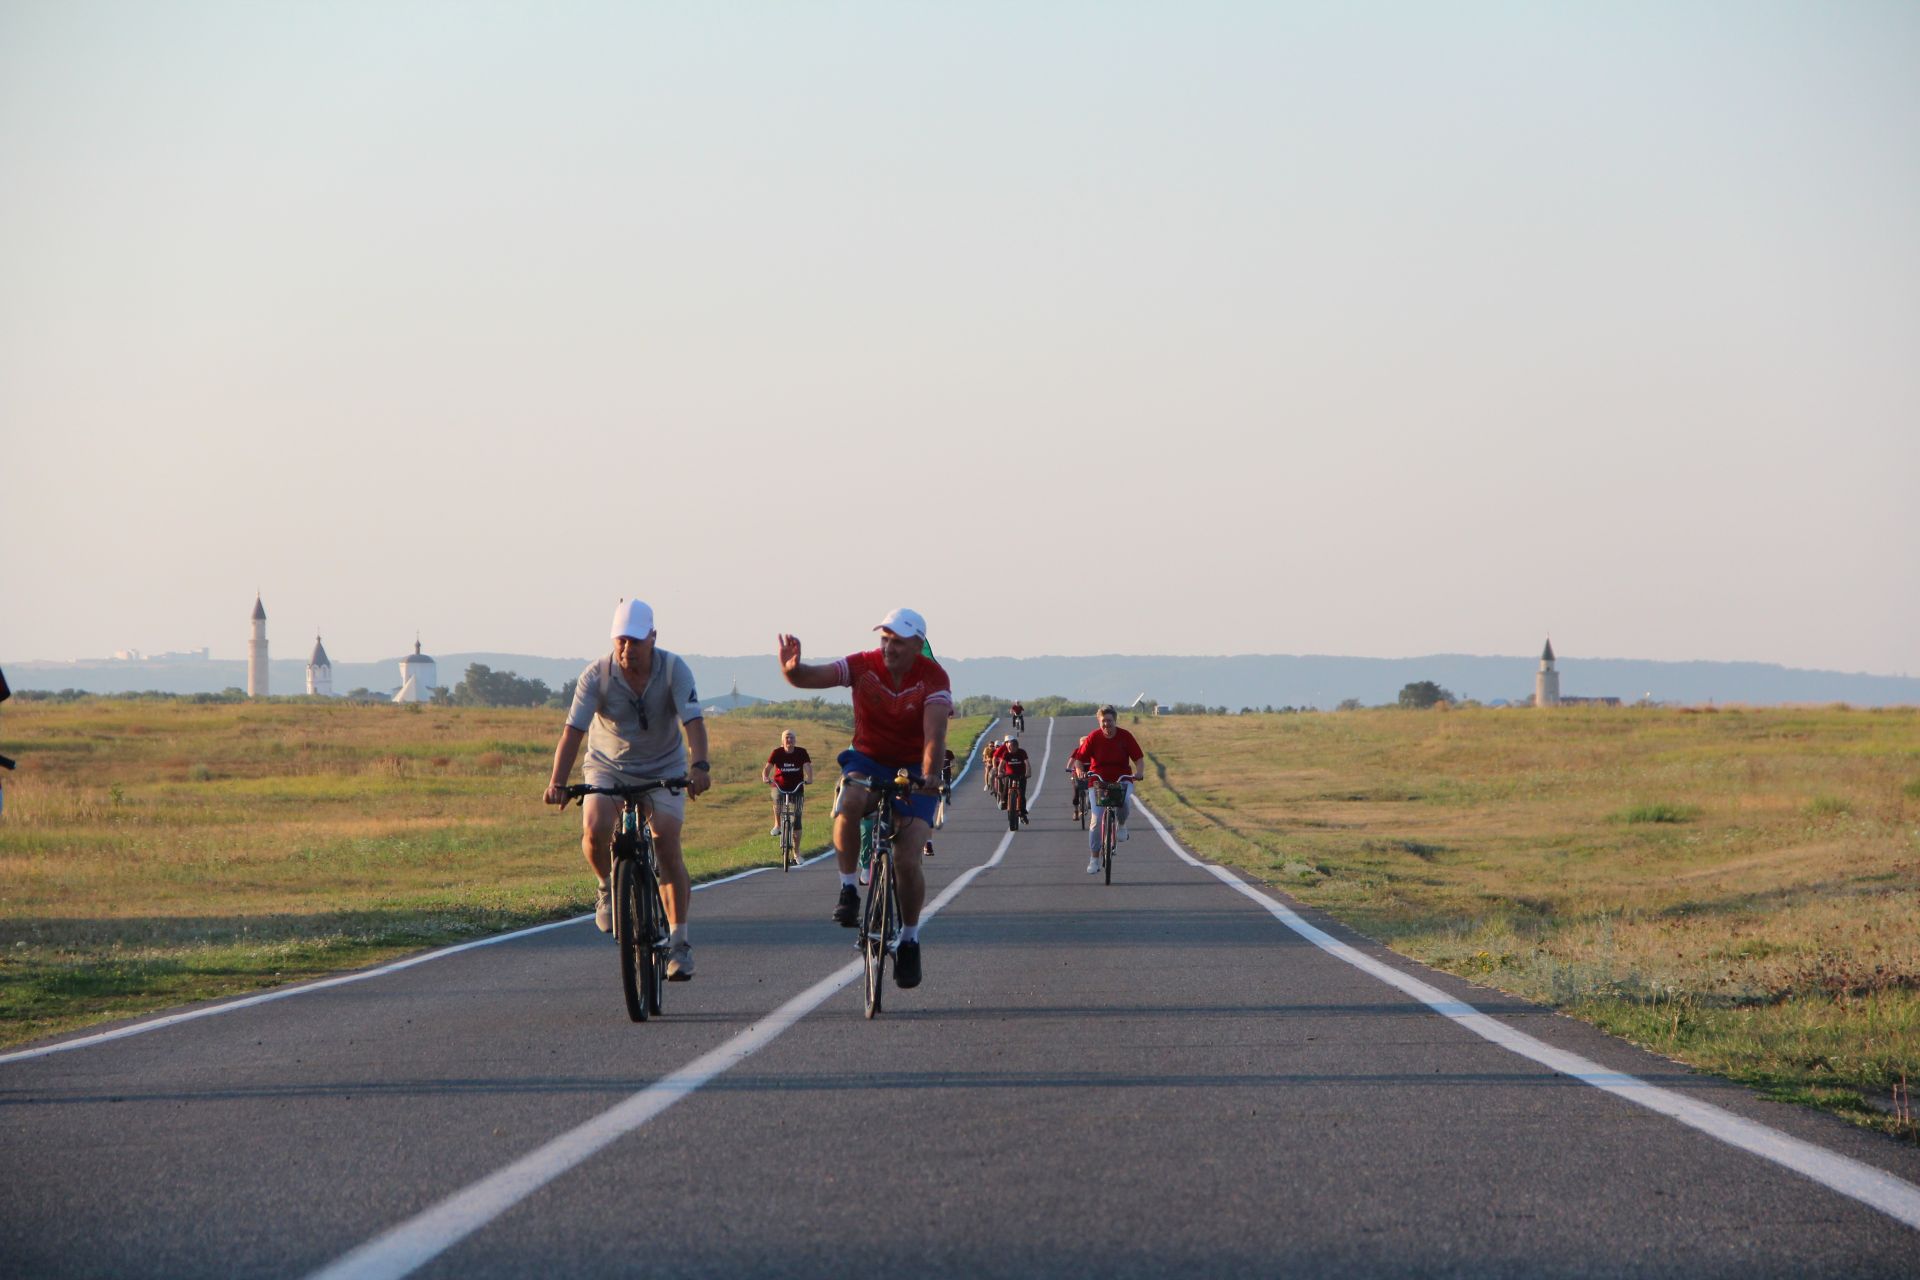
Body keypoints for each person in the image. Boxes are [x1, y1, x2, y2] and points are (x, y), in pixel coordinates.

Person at [777, 607, 950, 990]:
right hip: (868, 758)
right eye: (884, 638)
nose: (888, 647)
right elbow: (814, 676)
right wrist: (792, 671)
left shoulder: (933, 678)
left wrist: (930, 777)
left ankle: (909, 939)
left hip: (913, 768)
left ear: (918, 645)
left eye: (898, 641)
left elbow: (934, 735)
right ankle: (849, 888)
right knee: (849, 804)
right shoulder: (864, 665)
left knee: (907, 858)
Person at [545, 599, 713, 979]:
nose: (627, 649)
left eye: (635, 641)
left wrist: (699, 766)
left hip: (663, 766)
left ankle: (679, 943)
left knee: (666, 840)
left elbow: (694, 723)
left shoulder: (674, 670)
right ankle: (607, 886)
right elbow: (573, 732)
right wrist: (557, 781)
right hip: (607, 767)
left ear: (653, 638)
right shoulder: (597, 675)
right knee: (594, 826)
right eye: (620, 641)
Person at [1069, 704, 1144, 874]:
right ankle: (1094, 858)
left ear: (1115, 721)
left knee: (1124, 801)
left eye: (1109, 721)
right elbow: (1079, 759)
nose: (1106, 725)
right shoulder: (1093, 737)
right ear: (1099, 721)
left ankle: (1122, 825)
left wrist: (1139, 772)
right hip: (1098, 781)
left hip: (1121, 779)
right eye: (1103, 721)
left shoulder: (1125, 736)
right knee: (1096, 820)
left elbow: (1138, 758)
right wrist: (1080, 770)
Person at [762, 729, 813, 837]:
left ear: (795, 740)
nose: (789, 740)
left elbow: (807, 766)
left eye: (792, 737)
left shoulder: (801, 752)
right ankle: (777, 825)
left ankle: (796, 853)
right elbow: (768, 767)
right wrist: (765, 777)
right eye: (787, 737)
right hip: (779, 785)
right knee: (777, 801)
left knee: (797, 817)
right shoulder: (777, 752)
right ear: (782, 740)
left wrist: (810, 778)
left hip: (797, 786)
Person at [1000, 733, 1032, 824]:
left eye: (1011, 747)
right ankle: (1004, 801)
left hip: (1021, 775)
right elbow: (1001, 765)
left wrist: (1028, 773)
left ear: (1016, 747)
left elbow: (1027, 764)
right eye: (1008, 747)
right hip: (1009, 775)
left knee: (1022, 794)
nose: (1009, 748)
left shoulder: (1022, 752)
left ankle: (1022, 813)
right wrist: (1000, 772)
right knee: (1006, 789)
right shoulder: (1006, 754)